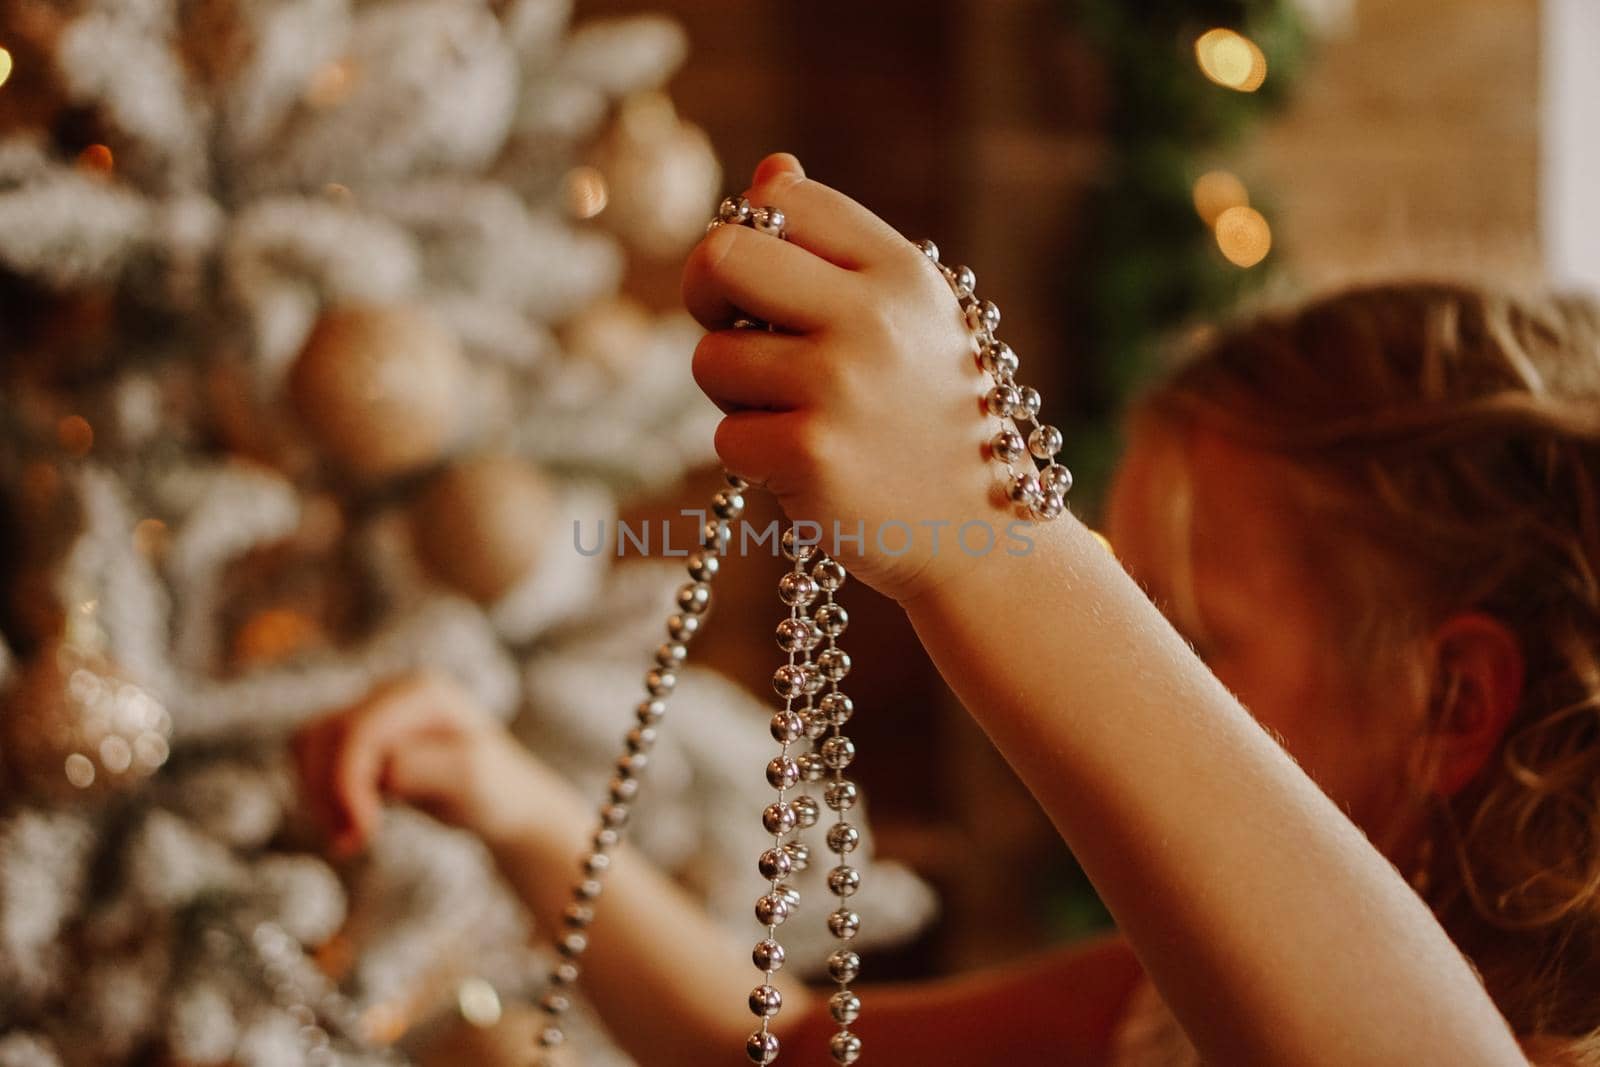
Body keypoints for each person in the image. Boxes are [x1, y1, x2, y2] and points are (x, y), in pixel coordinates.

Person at [295, 153, 1600, 1065]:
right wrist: (516, 803)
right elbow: (792, 1049)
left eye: (1182, 637)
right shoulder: (1159, 1011)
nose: (1115, 668)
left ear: (1455, 705)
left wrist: (987, 538)